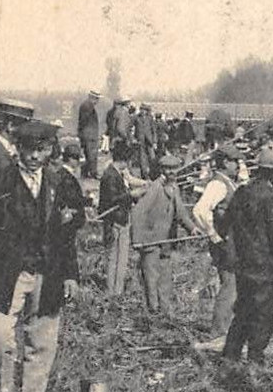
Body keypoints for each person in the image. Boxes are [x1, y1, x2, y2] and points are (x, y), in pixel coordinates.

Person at [0, 120, 84, 392]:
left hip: (48, 274)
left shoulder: (61, 182)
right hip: (7, 274)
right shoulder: (0, 181)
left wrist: (70, 275)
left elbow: (67, 235)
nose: (34, 157)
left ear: (50, 150)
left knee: (43, 342)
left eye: (42, 150)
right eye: (29, 150)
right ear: (18, 148)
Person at [220, 142, 273, 370]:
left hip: (243, 264)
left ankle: (230, 356)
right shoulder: (271, 198)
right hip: (264, 267)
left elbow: (226, 222)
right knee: (262, 317)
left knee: (242, 311)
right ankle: (255, 360)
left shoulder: (242, 192)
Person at [128, 153, 195, 316]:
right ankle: (153, 310)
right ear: (162, 170)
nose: (172, 172)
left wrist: (192, 228)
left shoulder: (174, 187)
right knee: (151, 277)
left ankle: (164, 309)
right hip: (150, 239)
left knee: (165, 276)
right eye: (168, 169)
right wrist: (137, 239)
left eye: (175, 169)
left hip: (167, 240)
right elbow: (138, 212)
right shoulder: (155, 188)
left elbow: (181, 212)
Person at [189, 145, 240, 347]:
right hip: (226, 243)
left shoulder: (226, 182)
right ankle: (218, 333)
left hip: (230, 242)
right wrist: (213, 234)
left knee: (231, 287)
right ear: (225, 162)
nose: (237, 165)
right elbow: (200, 210)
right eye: (235, 161)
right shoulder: (218, 185)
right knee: (229, 287)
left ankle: (223, 331)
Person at [95, 148, 142, 296]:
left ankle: (117, 290)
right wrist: (131, 195)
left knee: (119, 258)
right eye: (127, 162)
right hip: (115, 221)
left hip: (120, 219)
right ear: (123, 161)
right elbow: (112, 200)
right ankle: (112, 291)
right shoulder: (110, 176)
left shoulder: (114, 173)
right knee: (115, 258)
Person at [76, 90, 101, 178]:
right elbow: (84, 121)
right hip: (89, 135)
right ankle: (93, 173)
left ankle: (86, 173)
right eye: (97, 99)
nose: (98, 101)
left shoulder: (87, 105)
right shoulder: (87, 106)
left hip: (87, 134)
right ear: (93, 98)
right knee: (91, 154)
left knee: (89, 154)